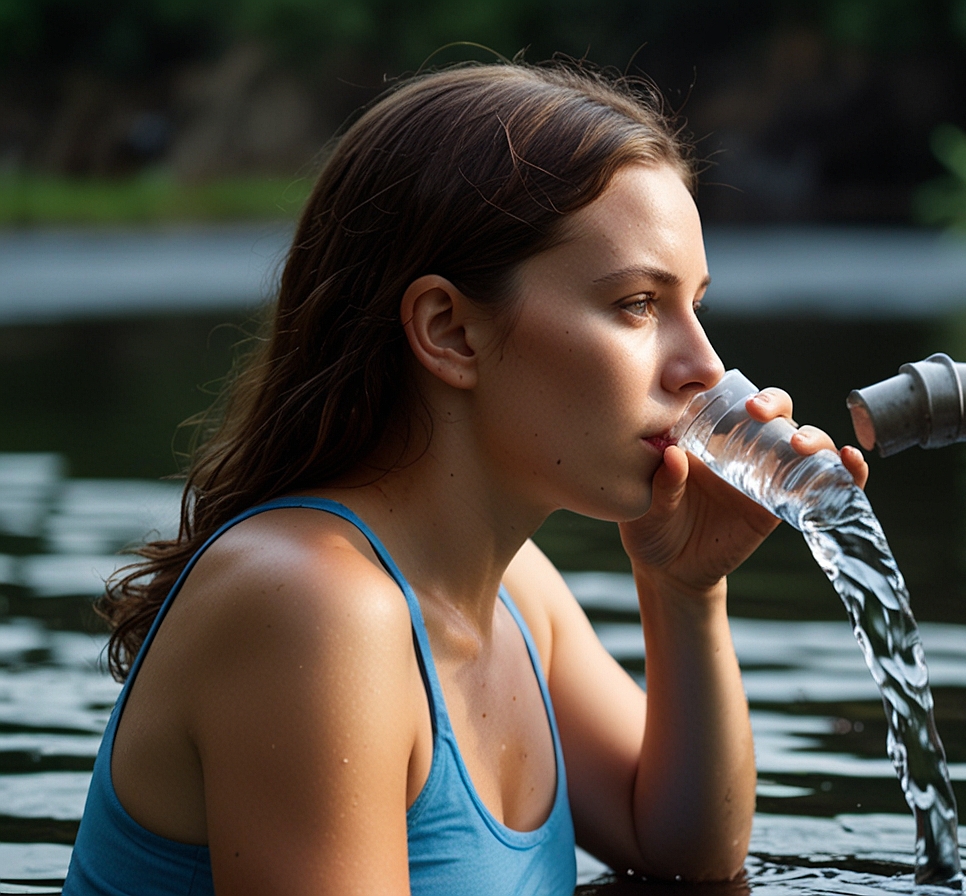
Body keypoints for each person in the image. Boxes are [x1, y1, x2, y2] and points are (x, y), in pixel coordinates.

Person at [63, 60, 868, 895]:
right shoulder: (312, 605)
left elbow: (687, 854)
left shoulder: (518, 587)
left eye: (694, 304)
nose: (704, 366)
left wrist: (684, 588)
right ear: (449, 331)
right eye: (637, 304)